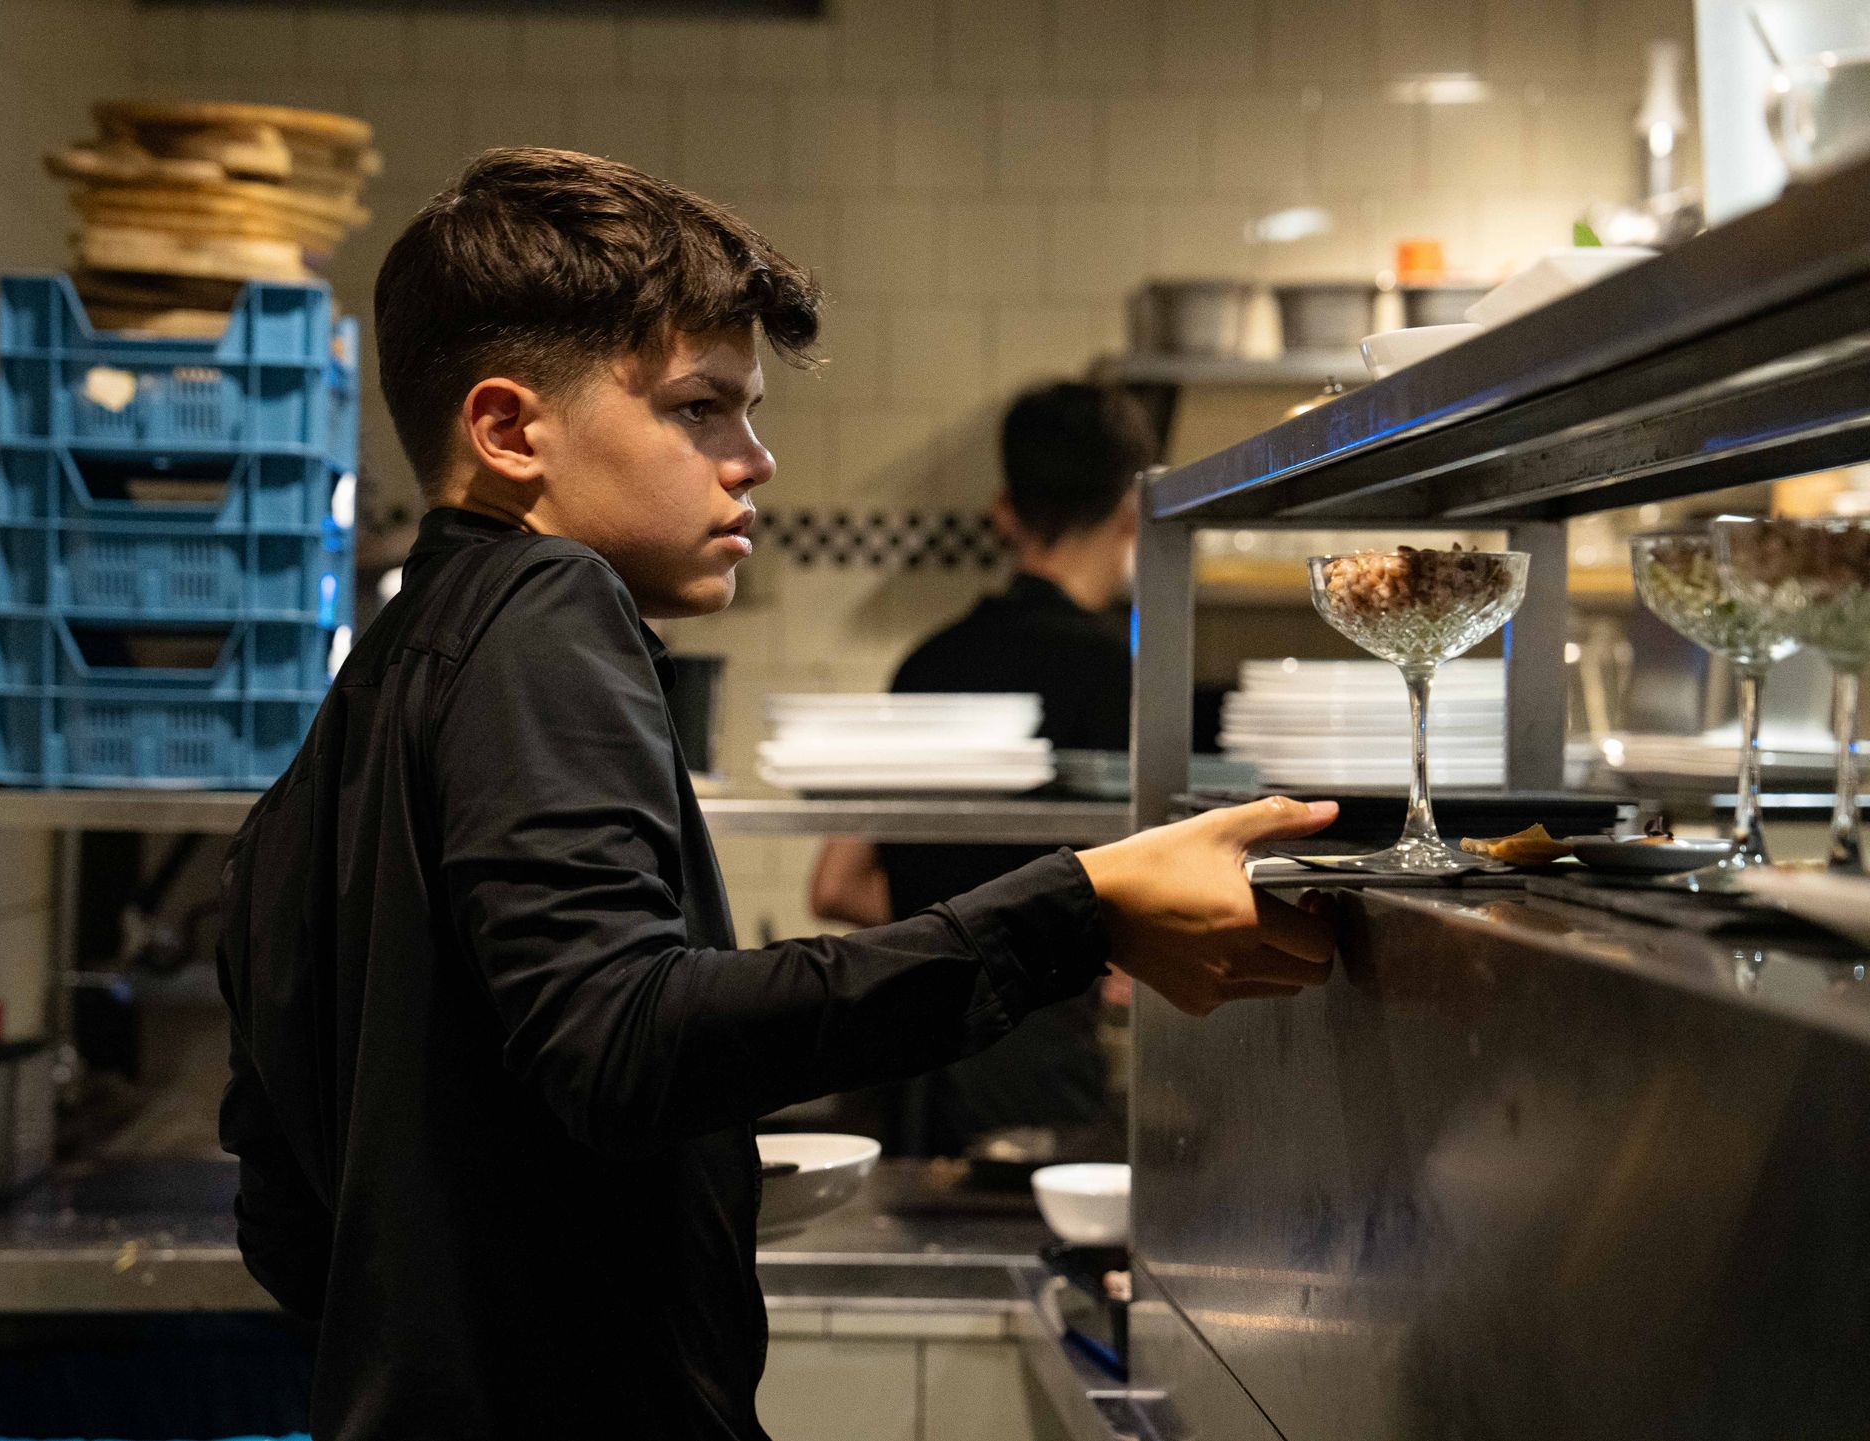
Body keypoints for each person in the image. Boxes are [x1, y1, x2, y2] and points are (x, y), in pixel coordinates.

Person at [216, 148, 1339, 1441]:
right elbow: (621, 1037)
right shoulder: (548, 604)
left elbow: (288, 1217)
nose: (753, 458)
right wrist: (1078, 910)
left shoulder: (365, 697)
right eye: (702, 408)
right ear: (509, 429)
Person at [810, 381, 1152, 1157]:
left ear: (1006, 510)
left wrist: (948, 926)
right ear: (1133, 513)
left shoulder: (927, 662)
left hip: (908, 1060)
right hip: (1038, 1069)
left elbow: (835, 885)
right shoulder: (1122, 678)